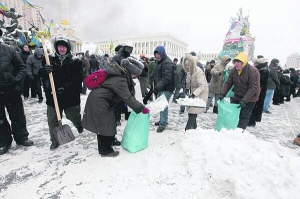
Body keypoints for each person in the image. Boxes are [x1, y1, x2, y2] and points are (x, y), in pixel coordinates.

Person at [82, 57, 148, 157]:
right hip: (100, 101)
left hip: (103, 100)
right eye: (135, 75)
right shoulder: (121, 79)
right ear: (131, 71)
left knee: (111, 121)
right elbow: (127, 97)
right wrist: (142, 108)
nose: (135, 77)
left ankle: (111, 140)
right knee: (104, 125)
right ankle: (105, 150)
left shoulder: (121, 75)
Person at [40, 37, 83, 150]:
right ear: (56, 47)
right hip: (53, 96)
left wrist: (65, 88)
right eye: (60, 46)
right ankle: (54, 140)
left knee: (73, 116)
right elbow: (40, 75)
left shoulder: (76, 61)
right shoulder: (49, 59)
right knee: (52, 120)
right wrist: (44, 71)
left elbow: (78, 79)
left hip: (70, 97)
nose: (62, 49)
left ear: (68, 48)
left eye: (64, 46)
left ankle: (79, 125)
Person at [0, 31, 34, 155]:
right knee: (0, 119)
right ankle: (3, 141)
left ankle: (21, 137)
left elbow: (21, 67)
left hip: (12, 90)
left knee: (18, 115)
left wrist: (16, 81)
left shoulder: (9, 50)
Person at [220, 52, 260, 130]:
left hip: (250, 98)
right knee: (234, 114)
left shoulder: (253, 71)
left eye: (238, 62)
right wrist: (222, 94)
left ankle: (240, 132)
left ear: (243, 62)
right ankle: (232, 129)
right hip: (237, 95)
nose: (236, 64)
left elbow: (253, 87)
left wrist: (245, 100)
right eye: (235, 62)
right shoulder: (233, 70)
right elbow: (228, 83)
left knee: (244, 115)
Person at [143, 46, 175, 133]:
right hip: (161, 87)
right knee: (162, 105)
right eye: (156, 54)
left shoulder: (167, 63)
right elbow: (157, 73)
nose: (157, 56)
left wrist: (157, 87)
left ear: (162, 53)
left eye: (158, 54)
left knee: (162, 105)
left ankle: (163, 124)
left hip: (167, 88)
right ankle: (163, 120)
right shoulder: (160, 62)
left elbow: (166, 78)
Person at [111, 40, 135, 127]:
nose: (128, 51)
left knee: (128, 100)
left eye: (130, 49)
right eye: (127, 49)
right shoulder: (116, 57)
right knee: (117, 101)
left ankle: (127, 115)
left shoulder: (130, 58)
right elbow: (111, 68)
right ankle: (117, 119)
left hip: (128, 82)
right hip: (118, 82)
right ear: (124, 48)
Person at [182, 54, 208, 131]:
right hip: (194, 92)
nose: (187, 66)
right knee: (191, 111)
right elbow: (189, 81)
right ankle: (194, 128)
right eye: (186, 65)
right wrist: (187, 89)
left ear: (192, 64)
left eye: (188, 65)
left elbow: (202, 86)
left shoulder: (199, 72)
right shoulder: (189, 71)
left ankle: (187, 129)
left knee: (193, 111)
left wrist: (194, 94)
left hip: (202, 92)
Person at [248, 57, 270, 127]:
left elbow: (259, 82)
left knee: (255, 106)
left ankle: (252, 121)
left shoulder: (262, 70)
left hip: (258, 91)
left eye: (256, 63)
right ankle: (252, 120)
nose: (254, 64)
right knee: (256, 106)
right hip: (260, 91)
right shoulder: (264, 69)